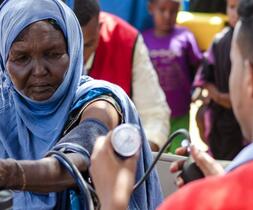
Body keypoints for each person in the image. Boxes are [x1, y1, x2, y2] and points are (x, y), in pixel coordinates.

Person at [91, 0, 253, 209]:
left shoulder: (195, 203)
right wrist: (225, 181)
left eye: (234, 64)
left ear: (251, 78)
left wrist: (113, 201)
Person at [0, 0, 162, 209]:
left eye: (53, 54)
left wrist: (9, 173)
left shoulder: (100, 100)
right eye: (22, 58)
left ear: (73, 50)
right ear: (4, 60)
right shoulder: (5, 110)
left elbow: (80, 157)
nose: (39, 70)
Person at [68, 0, 171, 151]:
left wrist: (140, 154)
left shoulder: (126, 41)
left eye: (87, 45)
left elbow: (154, 114)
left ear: (99, 27)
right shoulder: (39, 41)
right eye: (70, 45)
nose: (79, 55)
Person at [142, 0, 203, 153]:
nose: (167, 16)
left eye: (173, 12)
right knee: (154, 154)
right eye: (162, 10)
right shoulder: (143, 39)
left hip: (180, 111)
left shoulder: (185, 36)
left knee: (178, 154)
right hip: (152, 114)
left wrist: (198, 88)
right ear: (151, 8)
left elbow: (199, 65)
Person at [193, 0, 244, 160]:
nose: (235, 13)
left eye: (240, 7)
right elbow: (205, 77)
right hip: (220, 113)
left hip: (242, 116)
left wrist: (237, 101)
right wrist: (219, 97)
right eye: (232, 7)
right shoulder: (219, 41)